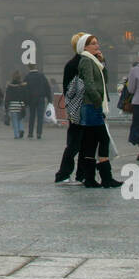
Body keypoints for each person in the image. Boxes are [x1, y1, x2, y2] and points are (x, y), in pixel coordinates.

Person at [75, 34, 119, 187]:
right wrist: (97, 101)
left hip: (91, 105)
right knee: (103, 139)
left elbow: (104, 80)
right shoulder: (86, 61)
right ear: (85, 47)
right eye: (93, 43)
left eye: (97, 43)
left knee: (91, 142)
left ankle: (90, 178)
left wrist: (102, 62)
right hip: (91, 105)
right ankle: (106, 177)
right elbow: (88, 83)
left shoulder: (94, 61)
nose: (97, 46)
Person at [54, 33, 86, 184]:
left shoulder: (83, 63)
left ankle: (80, 173)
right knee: (75, 143)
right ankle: (63, 173)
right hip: (78, 108)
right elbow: (70, 89)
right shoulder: (75, 65)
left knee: (82, 142)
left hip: (82, 107)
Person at [25, 64, 52, 140]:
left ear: (29, 68)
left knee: (32, 116)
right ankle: (39, 133)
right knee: (40, 117)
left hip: (31, 99)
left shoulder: (27, 77)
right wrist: (49, 99)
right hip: (41, 98)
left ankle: (30, 133)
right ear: (36, 67)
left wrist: (26, 101)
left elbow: (25, 90)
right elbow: (47, 87)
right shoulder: (41, 76)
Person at [5, 71, 28, 139]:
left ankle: (16, 135)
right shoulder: (23, 86)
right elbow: (25, 96)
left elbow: (7, 97)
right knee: (20, 119)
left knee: (14, 120)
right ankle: (21, 129)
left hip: (12, 104)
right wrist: (25, 103)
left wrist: (6, 105)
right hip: (21, 104)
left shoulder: (10, 86)